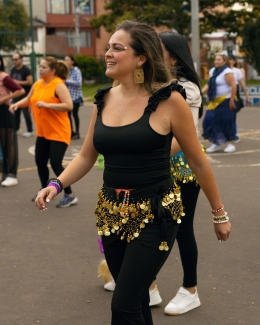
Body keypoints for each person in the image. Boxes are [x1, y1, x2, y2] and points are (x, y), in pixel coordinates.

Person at [34, 21, 231, 325]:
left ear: (141, 58)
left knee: (122, 306)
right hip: (111, 214)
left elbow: (198, 161)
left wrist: (219, 214)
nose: (108, 54)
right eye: (108, 47)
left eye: (118, 48)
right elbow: (87, 155)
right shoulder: (103, 100)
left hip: (156, 216)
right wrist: (56, 184)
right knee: (137, 302)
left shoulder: (170, 100)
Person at [145, 31, 204, 313]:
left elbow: (184, 138)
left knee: (180, 228)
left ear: (174, 54)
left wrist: (146, 155)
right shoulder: (153, 82)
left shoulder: (187, 88)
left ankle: (190, 289)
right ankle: (149, 285)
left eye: (158, 48)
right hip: (156, 166)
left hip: (181, 167)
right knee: (153, 225)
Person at [10, 57, 78, 208]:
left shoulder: (58, 85)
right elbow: (29, 100)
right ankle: (44, 191)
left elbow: (69, 106)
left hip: (59, 131)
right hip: (43, 132)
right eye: (39, 66)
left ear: (53, 71)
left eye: (44, 67)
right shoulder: (38, 84)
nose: (40, 69)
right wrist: (16, 105)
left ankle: (70, 194)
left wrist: (47, 105)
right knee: (40, 161)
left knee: (55, 163)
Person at [202, 53, 237, 153]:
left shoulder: (227, 72)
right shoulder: (213, 71)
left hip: (226, 100)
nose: (216, 61)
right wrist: (200, 92)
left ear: (224, 61)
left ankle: (231, 144)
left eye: (219, 60)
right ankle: (216, 142)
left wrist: (231, 101)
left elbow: (234, 86)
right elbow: (208, 84)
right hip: (214, 100)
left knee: (227, 121)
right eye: (216, 60)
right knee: (209, 120)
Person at [0, 55, 25, 186]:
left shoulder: (4, 77)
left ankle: (12, 174)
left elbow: (20, 90)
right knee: (1, 147)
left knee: (8, 144)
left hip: (4, 112)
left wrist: (4, 99)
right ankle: (4, 174)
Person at [228, 54, 250, 143]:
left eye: (230, 59)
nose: (228, 61)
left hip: (235, 94)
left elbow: (242, 84)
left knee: (232, 115)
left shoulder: (237, 71)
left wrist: (247, 96)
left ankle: (235, 134)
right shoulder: (223, 70)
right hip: (224, 95)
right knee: (226, 116)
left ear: (234, 61)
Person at [10, 52, 33, 137]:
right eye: (13, 59)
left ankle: (30, 130)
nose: (14, 61)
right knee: (16, 112)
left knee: (26, 113)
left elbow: (29, 82)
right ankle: (16, 128)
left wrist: (17, 82)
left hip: (25, 95)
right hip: (16, 95)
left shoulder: (26, 69)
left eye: (16, 59)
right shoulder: (13, 69)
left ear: (21, 59)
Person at [64, 55, 83, 140]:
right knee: (68, 116)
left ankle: (77, 133)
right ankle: (70, 132)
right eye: (65, 60)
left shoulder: (76, 71)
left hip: (76, 97)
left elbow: (78, 82)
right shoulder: (66, 71)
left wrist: (66, 81)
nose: (66, 62)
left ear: (72, 61)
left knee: (75, 115)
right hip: (67, 97)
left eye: (68, 60)